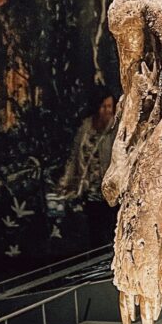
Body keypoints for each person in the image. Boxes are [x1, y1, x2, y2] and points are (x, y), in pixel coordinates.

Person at [59, 88, 117, 249]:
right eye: (103, 106)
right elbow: (75, 155)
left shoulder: (116, 128)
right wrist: (68, 182)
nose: (106, 111)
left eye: (109, 107)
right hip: (90, 189)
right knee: (94, 228)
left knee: (110, 225)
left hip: (110, 188)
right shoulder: (86, 127)